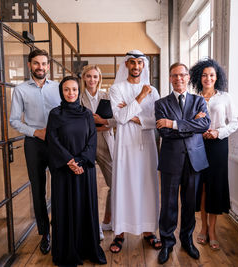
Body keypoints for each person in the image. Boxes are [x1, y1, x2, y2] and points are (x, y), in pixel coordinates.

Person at [46, 76, 106, 266]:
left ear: (78, 91)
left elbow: (92, 140)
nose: (70, 93)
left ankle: (87, 248)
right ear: (61, 92)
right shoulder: (55, 114)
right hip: (63, 171)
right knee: (65, 208)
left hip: (84, 169)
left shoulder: (87, 114)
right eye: (66, 90)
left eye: (73, 89)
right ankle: (67, 251)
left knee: (84, 206)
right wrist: (69, 161)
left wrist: (79, 161)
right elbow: (52, 140)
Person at [155, 62, 211, 264]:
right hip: (171, 160)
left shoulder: (199, 101)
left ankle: (187, 240)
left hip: (194, 160)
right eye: (174, 75)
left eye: (182, 75)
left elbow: (205, 124)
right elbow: (164, 132)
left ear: (188, 77)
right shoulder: (161, 104)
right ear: (170, 78)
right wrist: (190, 124)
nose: (178, 78)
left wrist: (174, 123)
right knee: (168, 205)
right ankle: (167, 242)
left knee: (189, 204)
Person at [109, 50, 162, 253]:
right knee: (124, 185)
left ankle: (148, 231)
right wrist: (140, 98)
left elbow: (156, 121)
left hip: (147, 145)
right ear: (126, 65)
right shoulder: (116, 89)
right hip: (124, 146)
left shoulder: (153, 91)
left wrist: (133, 116)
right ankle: (120, 233)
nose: (136, 66)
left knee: (147, 185)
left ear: (144, 66)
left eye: (140, 62)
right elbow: (119, 118)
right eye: (132, 62)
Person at [9, 49, 60, 254]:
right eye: (36, 63)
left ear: (49, 66)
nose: (41, 67)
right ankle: (44, 234)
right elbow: (13, 120)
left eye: (44, 64)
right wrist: (35, 132)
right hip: (34, 143)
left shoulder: (58, 87)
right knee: (38, 190)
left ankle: (60, 229)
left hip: (57, 144)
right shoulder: (20, 90)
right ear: (30, 65)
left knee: (59, 187)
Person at [190, 58, 238, 251]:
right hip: (198, 145)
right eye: (204, 75)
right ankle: (202, 228)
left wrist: (218, 132)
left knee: (215, 187)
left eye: (211, 75)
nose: (208, 78)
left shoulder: (225, 97)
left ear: (217, 77)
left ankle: (213, 231)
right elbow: (189, 124)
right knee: (201, 187)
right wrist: (196, 125)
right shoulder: (194, 98)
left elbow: (234, 123)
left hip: (218, 146)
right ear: (198, 78)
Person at [80, 65, 115, 240]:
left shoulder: (107, 97)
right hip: (85, 145)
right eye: (89, 76)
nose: (92, 80)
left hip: (105, 144)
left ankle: (107, 220)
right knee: (88, 187)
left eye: (95, 77)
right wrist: (96, 127)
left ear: (99, 78)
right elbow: (78, 126)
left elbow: (116, 120)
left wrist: (102, 121)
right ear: (84, 78)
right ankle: (94, 227)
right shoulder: (78, 99)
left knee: (115, 184)